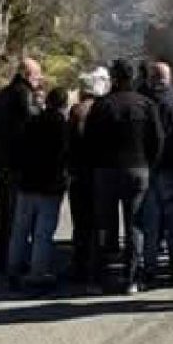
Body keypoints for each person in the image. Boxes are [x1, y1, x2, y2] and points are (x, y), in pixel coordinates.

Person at [83, 60, 164, 294]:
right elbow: (157, 140)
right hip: (137, 169)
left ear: (114, 79)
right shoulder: (146, 105)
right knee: (134, 225)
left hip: (106, 170)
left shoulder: (102, 106)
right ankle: (131, 279)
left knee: (104, 225)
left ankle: (99, 278)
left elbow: (89, 140)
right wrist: (149, 164)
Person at [10, 87, 71, 290]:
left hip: (27, 182)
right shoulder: (62, 125)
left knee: (20, 228)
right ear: (63, 105)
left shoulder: (32, 121)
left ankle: (14, 266)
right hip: (49, 185)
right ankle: (38, 272)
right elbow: (64, 154)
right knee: (43, 232)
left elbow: (18, 148)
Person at [141, 61, 173, 281]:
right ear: (169, 78)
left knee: (151, 222)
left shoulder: (144, 102)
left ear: (152, 78)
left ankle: (150, 266)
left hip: (150, 167)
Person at [0, 57, 43, 273]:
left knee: (4, 207)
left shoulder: (2, 94)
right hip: (17, 159)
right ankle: (13, 257)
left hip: (2, 157)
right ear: (27, 74)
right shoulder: (22, 94)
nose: (40, 78)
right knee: (16, 211)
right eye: (38, 74)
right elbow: (32, 121)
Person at [67, 68, 109, 281]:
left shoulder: (75, 112)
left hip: (78, 174)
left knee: (81, 223)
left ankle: (79, 263)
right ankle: (98, 264)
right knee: (98, 222)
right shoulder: (103, 110)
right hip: (98, 173)